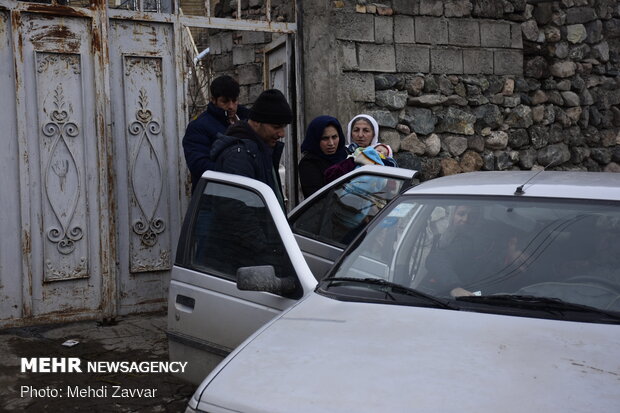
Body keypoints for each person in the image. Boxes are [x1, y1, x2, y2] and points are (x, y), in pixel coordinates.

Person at [211, 88, 293, 210]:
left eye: (283, 127)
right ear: (256, 122)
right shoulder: (238, 156)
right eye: (276, 127)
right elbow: (238, 213)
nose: (282, 134)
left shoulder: (261, 149)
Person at [182, 75, 250, 193]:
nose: (231, 106)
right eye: (225, 101)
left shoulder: (247, 119)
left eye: (234, 101)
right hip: (212, 198)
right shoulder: (198, 127)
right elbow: (199, 165)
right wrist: (234, 171)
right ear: (213, 100)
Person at [298, 116, 347, 198]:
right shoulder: (309, 164)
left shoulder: (346, 156)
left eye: (334, 137)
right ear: (315, 139)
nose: (331, 143)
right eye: (325, 138)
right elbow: (318, 198)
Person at [324, 114, 381, 184]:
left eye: (366, 130)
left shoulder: (381, 154)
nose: (360, 135)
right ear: (350, 133)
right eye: (356, 130)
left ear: (374, 134)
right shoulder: (342, 153)